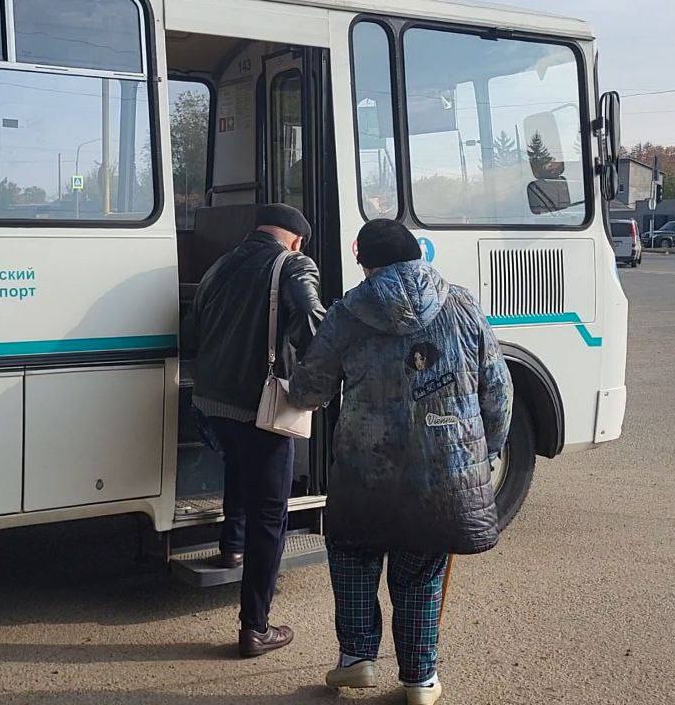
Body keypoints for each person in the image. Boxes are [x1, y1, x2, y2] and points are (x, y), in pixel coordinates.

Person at [288, 218, 513, 705]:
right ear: (417, 256)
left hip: (364, 472)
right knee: (420, 571)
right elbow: (497, 390)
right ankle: (420, 680)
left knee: (353, 555)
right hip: (444, 473)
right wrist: (486, 451)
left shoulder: (347, 313)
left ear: (366, 264)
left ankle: (356, 660)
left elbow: (309, 391)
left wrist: (295, 386)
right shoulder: (462, 304)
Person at [184, 202, 325, 657]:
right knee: (270, 514)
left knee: (237, 468)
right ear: (296, 239)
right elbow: (312, 322)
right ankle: (255, 627)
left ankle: (232, 546)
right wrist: (321, 376)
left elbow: (192, 332)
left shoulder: (219, 266)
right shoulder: (294, 265)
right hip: (260, 405)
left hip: (210, 401)